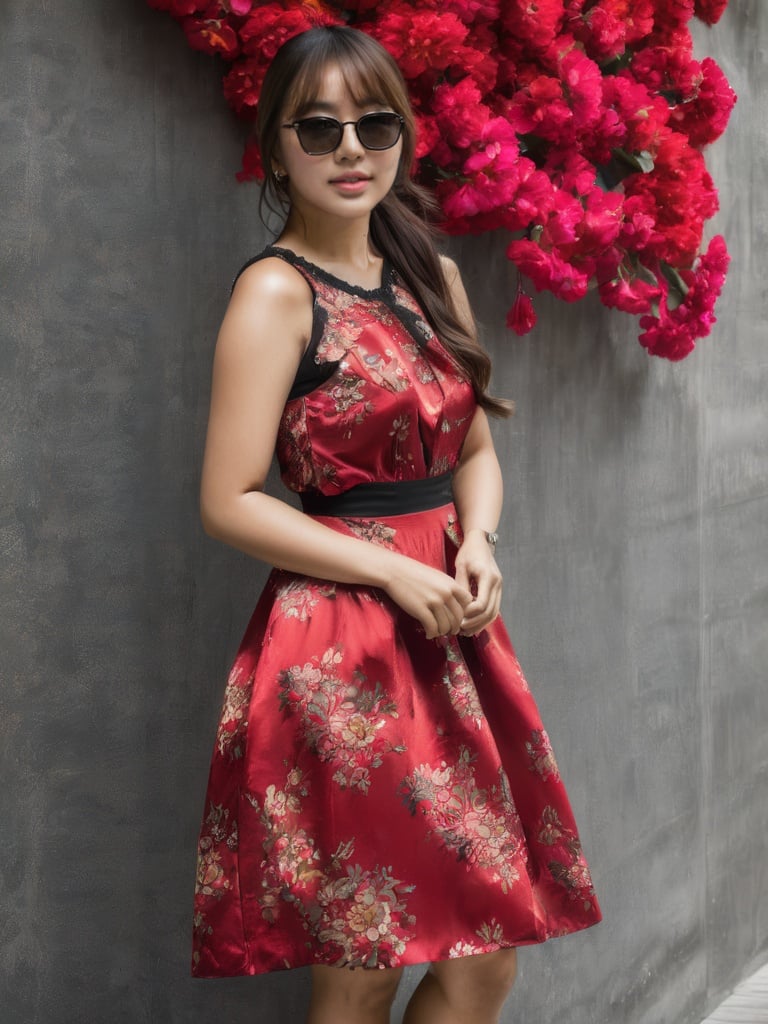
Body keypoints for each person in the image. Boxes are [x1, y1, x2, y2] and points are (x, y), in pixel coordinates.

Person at [191, 24, 601, 1024]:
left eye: (373, 125)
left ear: (403, 137)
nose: (349, 150)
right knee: (368, 953)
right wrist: (389, 573)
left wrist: (478, 541)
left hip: (448, 625)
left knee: (480, 956)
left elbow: (472, 451)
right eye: (318, 127)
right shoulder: (276, 293)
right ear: (278, 144)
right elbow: (229, 497)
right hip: (341, 646)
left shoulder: (430, 276)